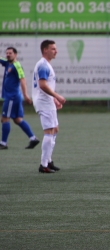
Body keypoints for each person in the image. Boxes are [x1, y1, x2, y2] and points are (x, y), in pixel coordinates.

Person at [32, 40, 66, 173]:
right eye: (53, 49)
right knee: (49, 131)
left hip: (47, 101)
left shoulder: (46, 64)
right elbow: (43, 85)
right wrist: (57, 96)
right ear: (45, 50)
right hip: (44, 102)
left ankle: (48, 160)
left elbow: (46, 86)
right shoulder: (43, 65)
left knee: (55, 129)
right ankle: (43, 164)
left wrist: (54, 99)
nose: (56, 51)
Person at [0, 47, 39, 150]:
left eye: (10, 53)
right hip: (13, 96)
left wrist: (26, 95)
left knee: (5, 118)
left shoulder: (17, 65)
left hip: (12, 97)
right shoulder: (7, 63)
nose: (8, 55)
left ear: (15, 54)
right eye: (7, 53)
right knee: (17, 119)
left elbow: (22, 80)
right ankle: (33, 138)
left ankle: (3, 143)